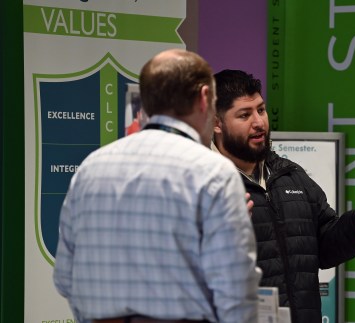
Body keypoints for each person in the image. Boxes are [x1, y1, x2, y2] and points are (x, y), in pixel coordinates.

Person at [53, 49, 261, 323]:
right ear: (203, 98)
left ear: (146, 101)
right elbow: (235, 291)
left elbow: (64, 278)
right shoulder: (213, 174)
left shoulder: (90, 168)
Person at [211, 69, 355, 323]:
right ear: (216, 123)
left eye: (261, 110)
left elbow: (323, 248)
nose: (259, 122)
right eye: (244, 115)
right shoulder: (204, 186)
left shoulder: (289, 174)